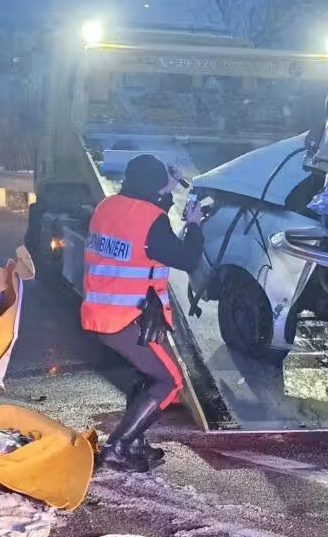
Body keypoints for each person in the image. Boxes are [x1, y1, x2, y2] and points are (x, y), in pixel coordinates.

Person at [81, 154, 203, 473]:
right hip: (128, 318)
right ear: (153, 182)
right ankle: (117, 447)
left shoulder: (107, 206)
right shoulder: (152, 219)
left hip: (100, 312)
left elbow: (142, 225)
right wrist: (193, 226)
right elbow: (186, 259)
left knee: (145, 374)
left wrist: (168, 189)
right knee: (169, 381)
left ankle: (134, 443)